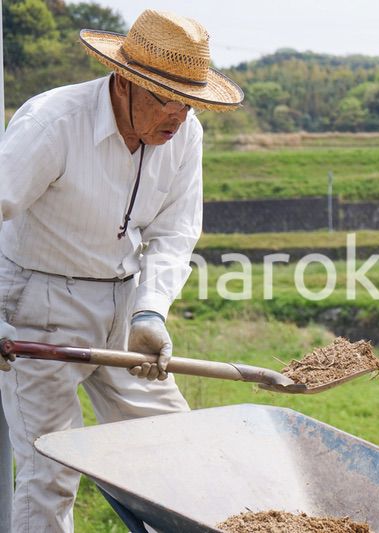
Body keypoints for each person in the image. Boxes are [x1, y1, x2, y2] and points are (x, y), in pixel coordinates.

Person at [0, 9, 243, 532]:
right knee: (52, 472)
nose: (177, 116)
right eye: (164, 98)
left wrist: (150, 312)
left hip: (125, 304)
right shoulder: (53, 123)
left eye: (189, 102)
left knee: (174, 451)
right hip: (37, 302)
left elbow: (175, 233)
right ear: (125, 81)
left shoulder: (185, 133)